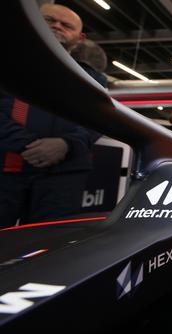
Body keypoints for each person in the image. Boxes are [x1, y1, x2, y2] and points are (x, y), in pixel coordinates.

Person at [0, 4, 102, 228]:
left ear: (80, 37)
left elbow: (99, 120)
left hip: (65, 173)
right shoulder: (6, 64)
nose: (57, 26)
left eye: (66, 25)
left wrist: (67, 144)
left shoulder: (93, 78)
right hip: (6, 167)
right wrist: (28, 145)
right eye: (49, 20)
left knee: (50, 244)